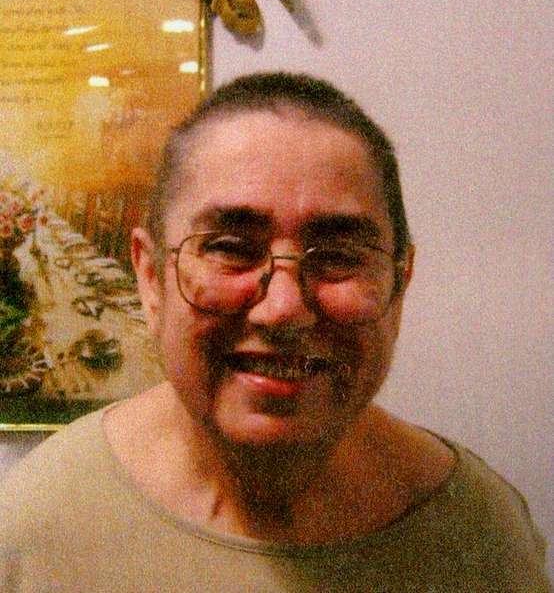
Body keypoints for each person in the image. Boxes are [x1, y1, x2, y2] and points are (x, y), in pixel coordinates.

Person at [0, 73, 549, 592]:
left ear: (399, 283)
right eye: (230, 249)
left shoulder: (474, 534)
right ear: (149, 276)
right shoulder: (38, 531)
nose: (283, 310)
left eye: (339, 256)